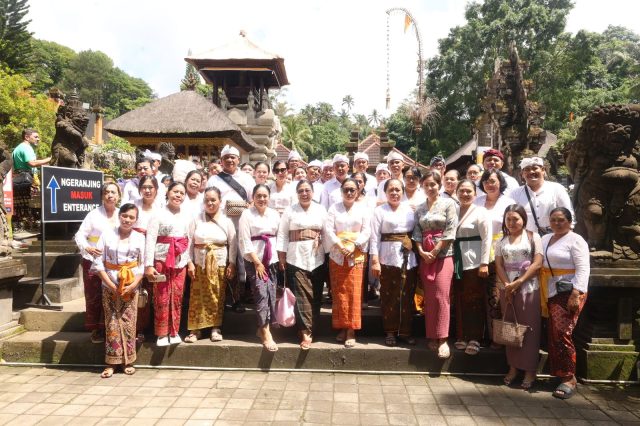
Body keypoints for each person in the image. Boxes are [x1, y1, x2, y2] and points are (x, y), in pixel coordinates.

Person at [540, 207, 590, 399]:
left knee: (563, 332)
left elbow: (583, 268)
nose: (557, 223)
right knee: (553, 332)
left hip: (569, 291)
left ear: (569, 221)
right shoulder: (545, 239)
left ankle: (569, 378)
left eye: (561, 220)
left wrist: (576, 293)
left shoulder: (576, 240)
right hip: (550, 289)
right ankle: (559, 373)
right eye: (553, 219)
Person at [93, 203, 145, 378]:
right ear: (119, 216)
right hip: (109, 284)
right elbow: (98, 263)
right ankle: (112, 362)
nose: (127, 220)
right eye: (125, 216)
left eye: (131, 217)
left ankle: (128, 360)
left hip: (130, 286)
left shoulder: (139, 238)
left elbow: (142, 264)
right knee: (112, 323)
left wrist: (133, 284)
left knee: (129, 322)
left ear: (136, 220)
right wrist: (110, 284)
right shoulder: (107, 235)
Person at [495, 204, 543, 390]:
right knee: (510, 327)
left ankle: (530, 370)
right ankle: (513, 367)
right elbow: (499, 265)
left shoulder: (533, 237)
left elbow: (537, 263)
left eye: (515, 219)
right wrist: (508, 285)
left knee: (530, 329)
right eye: (508, 219)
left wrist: (519, 281)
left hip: (529, 287)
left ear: (523, 219)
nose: (511, 222)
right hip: (507, 289)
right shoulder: (501, 241)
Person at [276, 180, 327, 350]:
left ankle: (310, 328)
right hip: (295, 257)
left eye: (307, 190)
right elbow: (282, 234)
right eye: (301, 191)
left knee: (316, 295)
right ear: (297, 193)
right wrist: (281, 257)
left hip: (317, 256)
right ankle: (305, 332)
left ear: (313, 192)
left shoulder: (321, 209)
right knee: (301, 296)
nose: (304, 194)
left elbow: (327, 232)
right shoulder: (290, 211)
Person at [413, 171, 458, 358]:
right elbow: (416, 232)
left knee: (441, 296)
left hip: (444, 255)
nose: (430, 188)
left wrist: (435, 251)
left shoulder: (449, 204)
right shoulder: (420, 208)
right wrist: (422, 252)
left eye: (433, 184)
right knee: (430, 297)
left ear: (439, 185)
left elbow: (450, 230)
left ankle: (443, 338)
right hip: (425, 256)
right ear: (422, 187)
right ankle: (431, 335)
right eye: (426, 185)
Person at [185, 187, 237, 343]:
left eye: (213, 200)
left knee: (217, 296)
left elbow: (233, 244)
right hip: (199, 263)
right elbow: (189, 242)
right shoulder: (196, 219)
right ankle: (196, 330)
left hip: (219, 263)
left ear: (220, 201)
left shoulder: (227, 221)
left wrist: (232, 263)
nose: (210, 203)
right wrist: (189, 262)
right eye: (207, 200)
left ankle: (215, 328)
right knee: (197, 297)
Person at [207, 145, 255, 312]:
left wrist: (245, 207)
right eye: (226, 157)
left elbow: (253, 200)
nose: (229, 160)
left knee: (241, 260)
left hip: (242, 224)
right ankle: (222, 298)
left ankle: (239, 298)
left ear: (238, 160)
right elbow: (209, 201)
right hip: (220, 224)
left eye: (233, 157)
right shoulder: (214, 180)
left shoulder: (247, 178)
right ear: (221, 160)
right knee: (223, 259)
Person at [370, 179, 418, 347]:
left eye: (398, 190)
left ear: (403, 192)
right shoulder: (379, 211)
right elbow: (374, 237)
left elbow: (416, 232)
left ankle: (405, 332)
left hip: (409, 257)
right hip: (387, 256)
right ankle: (390, 331)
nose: (394, 193)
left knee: (407, 294)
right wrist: (375, 260)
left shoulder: (410, 210)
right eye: (391, 190)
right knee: (389, 294)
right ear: (385, 192)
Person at [145, 182, 192, 346]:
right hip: (161, 260)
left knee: (177, 296)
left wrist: (189, 261)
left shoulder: (187, 215)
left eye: (182, 193)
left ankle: (174, 331)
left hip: (180, 261)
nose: (178, 195)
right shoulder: (157, 214)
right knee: (162, 296)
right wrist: (149, 265)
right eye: (175, 191)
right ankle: (161, 333)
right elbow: (150, 239)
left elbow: (189, 240)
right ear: (168, 192)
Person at [325, 178, 371, 348]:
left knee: (354, 292)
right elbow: (328, 230)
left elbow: (367, 230)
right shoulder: (333, 208)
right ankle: (342, 327)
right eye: (346, 189)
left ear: (358, 191)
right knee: (339, 292)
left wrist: (354, 245)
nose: (349, 192)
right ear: (341, 191)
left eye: (353, 190)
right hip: (337, 254)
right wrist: (340, 245)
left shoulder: (363, 209)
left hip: (355, 254)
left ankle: (351, 330)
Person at [74, 182, 121, 343]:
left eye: (113, 192)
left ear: (118, 196)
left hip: (114, 262)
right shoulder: (93, 215)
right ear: (102, 196)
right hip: (93, 260)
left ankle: (111, 327)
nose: (110, 195)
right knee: (94, 295)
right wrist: (87, 247)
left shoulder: (122, 214)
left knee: (112, 293)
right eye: (106, 192)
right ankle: (96, 329)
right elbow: (80, 235)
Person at [474, 168, 516, 342]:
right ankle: (478, 335)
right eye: (486, 181)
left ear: (500, 182)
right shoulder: (477, 201)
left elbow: (513, 228)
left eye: (493, 181)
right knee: (477, 293)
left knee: (496, 294)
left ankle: (497, 338)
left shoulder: (508, 203)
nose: (489, 184)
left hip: (500, 251)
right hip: (477, 250)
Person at [239, 184, 281, 352]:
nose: (262, 199)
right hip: (254, 260)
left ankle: (262, 327)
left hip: (272, 259)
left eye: (265, 196)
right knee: (261, 293)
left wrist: (280, 258)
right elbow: (244, 239)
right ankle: (265, 331)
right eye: (258, 196)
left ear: (269, 197)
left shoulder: (274, 214)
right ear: (253, 197)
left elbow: (280, 236)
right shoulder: (246, 214)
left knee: (271, 293)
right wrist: (257, 262)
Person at [452, 180, 491, 355]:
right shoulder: (453, 211)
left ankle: (475, 337)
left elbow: (487, 238)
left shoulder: (481, 212)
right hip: (456, 260)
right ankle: (462, 335)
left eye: (469, 191)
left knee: (474, 299)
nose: (465, 194)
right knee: (459, 298)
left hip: (474, 261)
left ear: (475, 194)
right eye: (462, 191)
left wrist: (484, 263)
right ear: (456, 193)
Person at [511, 157, 574, 236]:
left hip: (554, 237)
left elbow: (568, 213)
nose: (531, 172)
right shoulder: (515, 193)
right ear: (522, 174)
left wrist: (569, 234)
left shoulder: (557, 189)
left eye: (535, 168)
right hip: (526, 238)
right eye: (527, 169)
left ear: (543, 170)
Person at [133, 176, 161, 340]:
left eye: (151, 187)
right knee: (134, 289)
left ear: (156, 189)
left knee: (150, 291)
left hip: (154, 252)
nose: (148, 190)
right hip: (134, 252)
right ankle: (135, 327)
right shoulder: (133, 206)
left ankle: (148, 327)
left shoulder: (161, 207)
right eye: (144, 187)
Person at [12, 128, 51, 230]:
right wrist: (49, 159)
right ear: (27, 137)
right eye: (36, 137)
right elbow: (32, 163)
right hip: (27, 179)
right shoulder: (26, 147)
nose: (38, 139)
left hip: (20, 179)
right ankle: (31, 226)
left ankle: (19, 225)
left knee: (20, 205)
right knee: (33, 205)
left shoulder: (18, 148)